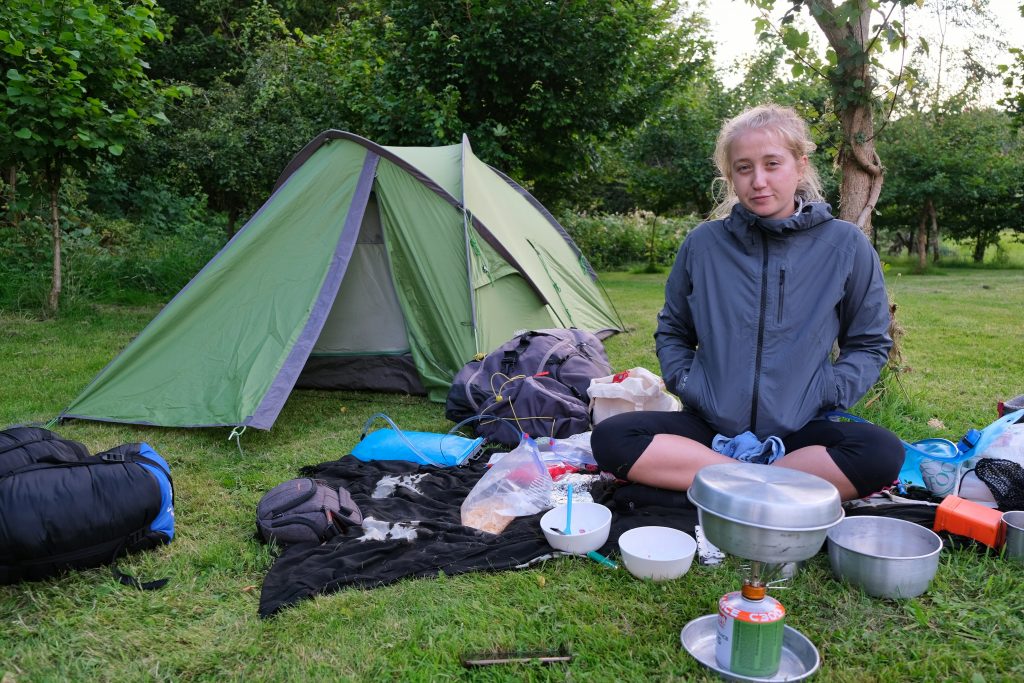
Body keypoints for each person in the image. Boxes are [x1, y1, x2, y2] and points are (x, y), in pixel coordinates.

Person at [592, 103, 904, 502]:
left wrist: (831, 391)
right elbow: (673, 330)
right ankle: (761, 484)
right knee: (612, 438)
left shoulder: (844, 245)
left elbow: (868, 340)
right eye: (744, 168)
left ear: (800, 166)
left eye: (772, 164)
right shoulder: (703, 245)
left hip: (799, 431)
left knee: (881, 453)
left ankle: (722, 485)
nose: (758, 180)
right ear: (731, 176)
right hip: (710, 427)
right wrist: (688, 383)